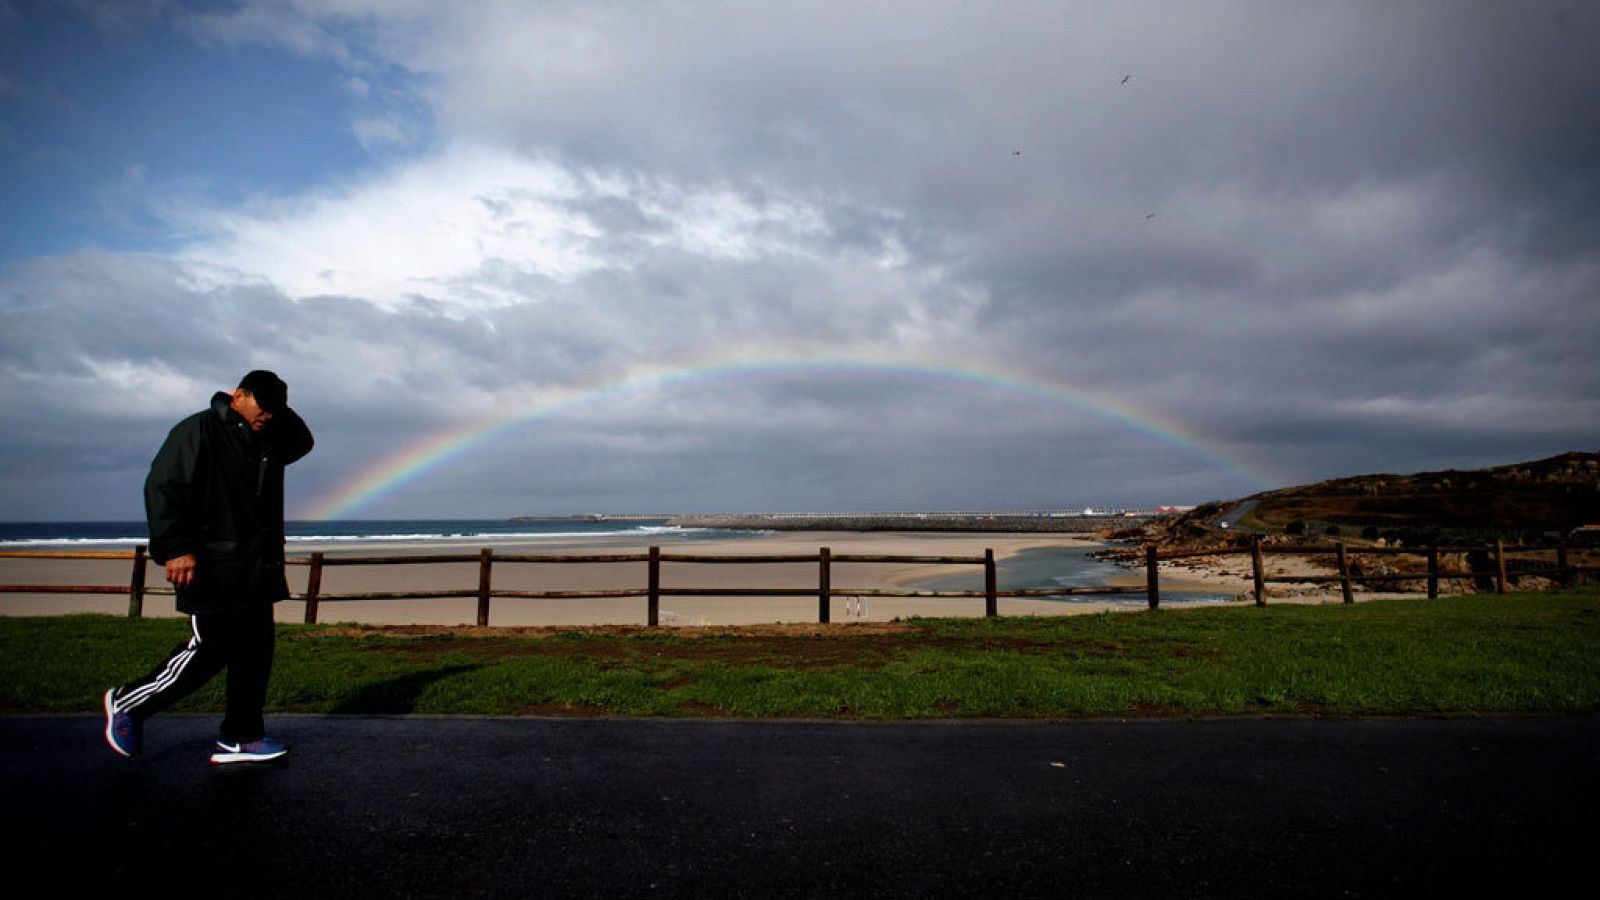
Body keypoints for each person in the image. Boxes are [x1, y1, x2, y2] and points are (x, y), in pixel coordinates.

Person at [103, 371, 314, 764]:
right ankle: (127, 703)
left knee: (255, 653)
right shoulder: (197, 430)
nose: (267, 415)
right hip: (210, 564)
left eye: (274, 409)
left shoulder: (269, 433)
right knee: (210, 649)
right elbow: (163, 487)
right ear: (238, 395)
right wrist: (176, 548)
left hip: (256, 563)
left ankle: (241, 738)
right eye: (261, 406)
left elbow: (303, 443)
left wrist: (276, 411)